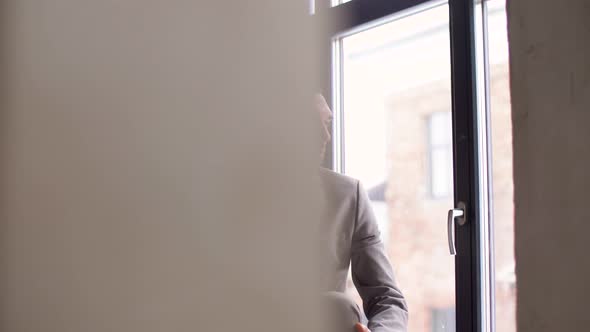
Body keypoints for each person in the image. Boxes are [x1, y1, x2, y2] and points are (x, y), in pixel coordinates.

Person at [316, 94, 408, 332]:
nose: (324, 136)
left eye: (326, 124)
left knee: (339, 307)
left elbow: (387, 298)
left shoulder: (348, 196)